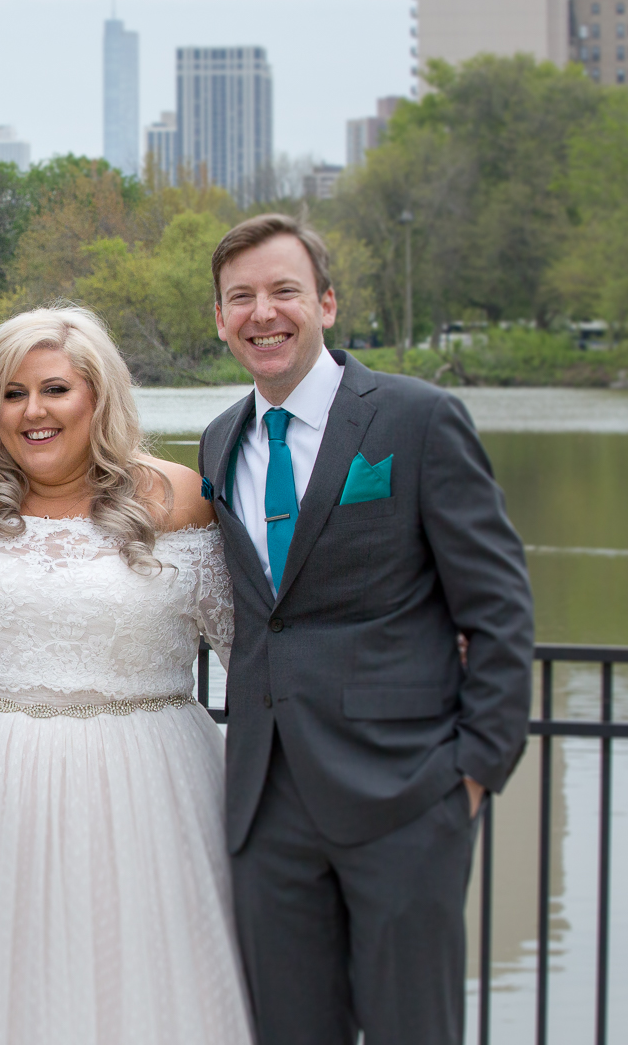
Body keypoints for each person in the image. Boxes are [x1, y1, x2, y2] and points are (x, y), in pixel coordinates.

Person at [0, 305, 255, 1045]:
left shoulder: (182, 499)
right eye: (12, 392)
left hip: (143, 793)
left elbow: (254, 658)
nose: (33, 411)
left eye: (56, 389)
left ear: (100, 396)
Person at [196, 213, 534, 1045]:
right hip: (265, 806)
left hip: (405, 797)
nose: (262, 313)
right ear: (219, 319)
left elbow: (498, 608)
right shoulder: (219, 443)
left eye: (284, 291)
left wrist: (475, 772)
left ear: (328, 303)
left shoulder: (417, 419)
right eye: (241, 297)